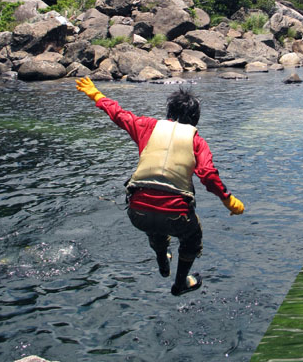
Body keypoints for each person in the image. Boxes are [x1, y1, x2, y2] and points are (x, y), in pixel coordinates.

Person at [76, 77, 245, 296]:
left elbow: (118, 114)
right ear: (196, 119)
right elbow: (208, 175)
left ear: (169, 114)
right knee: (192, 239)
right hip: (177, 216)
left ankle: (162, 261)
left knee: (154, 225)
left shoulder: (146, 126)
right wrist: (228, 200)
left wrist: (96, 94)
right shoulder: (197, 141)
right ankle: (180, 282)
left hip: (137, 213)